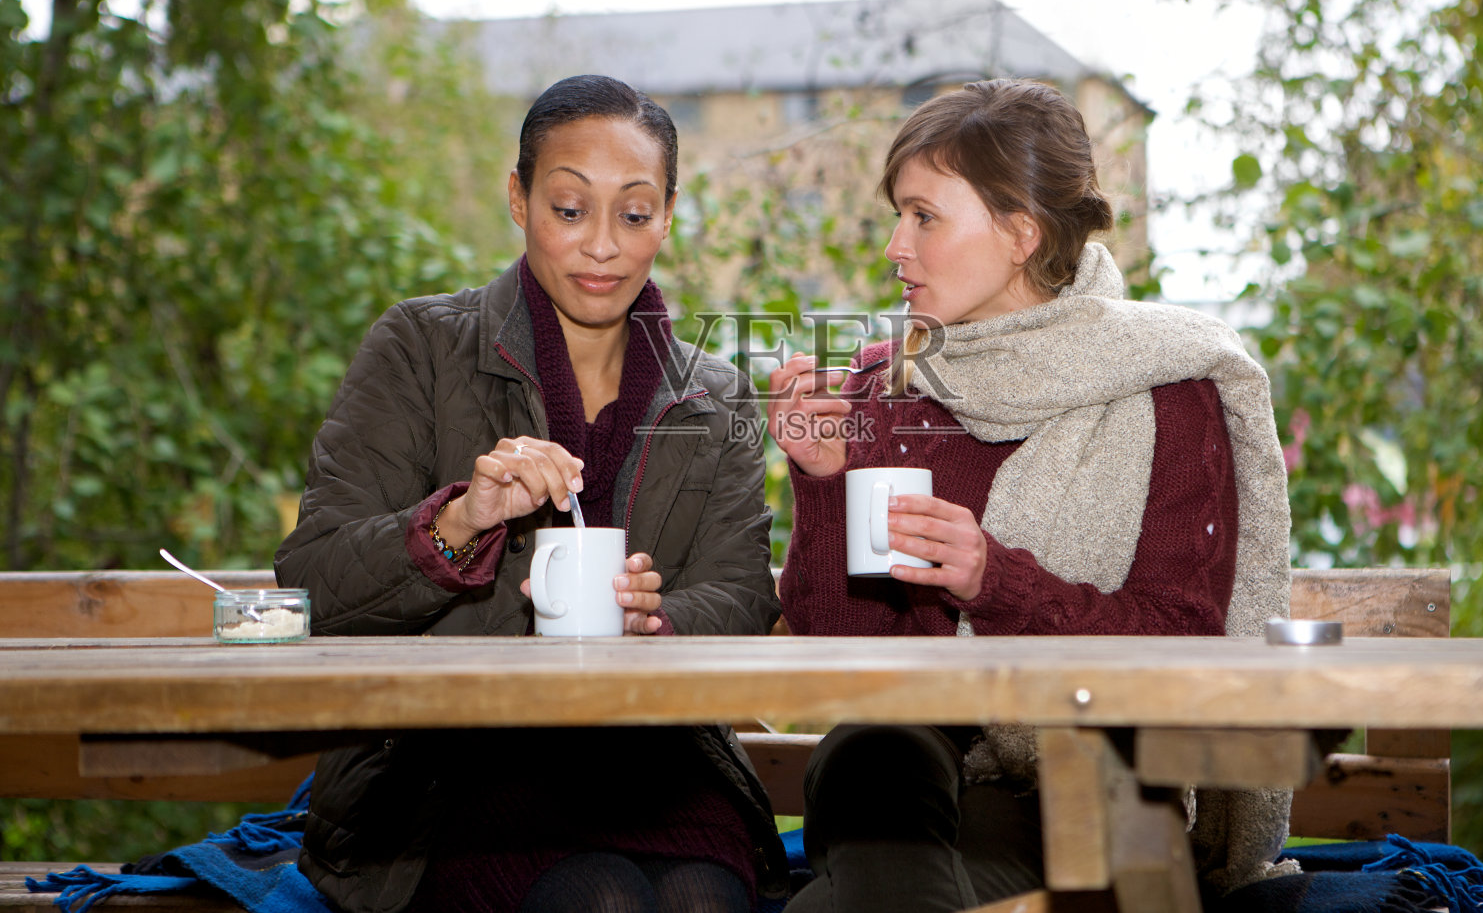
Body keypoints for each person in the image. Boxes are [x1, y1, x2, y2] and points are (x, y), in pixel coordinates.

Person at [766, 79, 1295, 911]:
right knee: (875, 747)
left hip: (1092, 784)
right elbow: (842, 640)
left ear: (1020, 232)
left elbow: (1183, 641)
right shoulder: (884, 383)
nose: (895, 247)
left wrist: (993, 580)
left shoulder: (1166, 387)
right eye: (897, 215)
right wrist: (826, 485)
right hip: (901, 779)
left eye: (925, 216)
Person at [277, 74, 787, 913]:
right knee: (601, 898)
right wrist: (459, 520)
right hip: (452, 764)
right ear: (518, 199)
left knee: (704, 897)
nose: (602, 246)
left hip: (659, 760)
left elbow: (740, 591)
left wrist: (657, 619)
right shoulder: (420, 349)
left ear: (666, 215)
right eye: (568, 208)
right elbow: (312, 584)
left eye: (633, 213)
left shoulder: (715, 395)